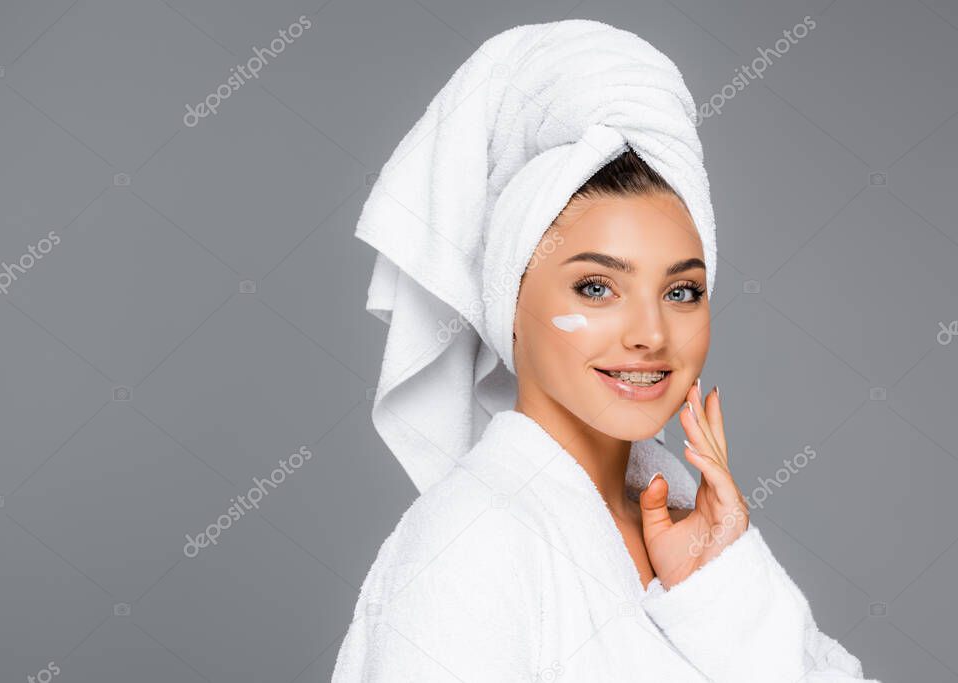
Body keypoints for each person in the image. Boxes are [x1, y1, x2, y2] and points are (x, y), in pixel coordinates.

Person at [332, 19, 879, 683]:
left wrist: (728, 591)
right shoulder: (469, 544)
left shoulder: (686, 526)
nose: (650, 332)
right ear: (511, 305)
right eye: (597, 287)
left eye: (681, 290)